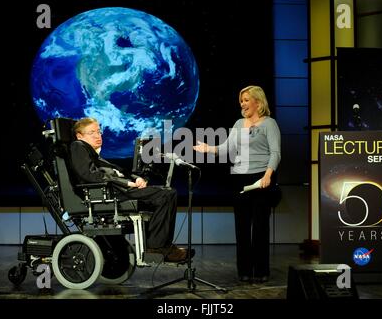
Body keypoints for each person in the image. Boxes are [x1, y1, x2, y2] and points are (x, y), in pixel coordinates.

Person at [70, 117, 190, 263]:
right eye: (92, 133)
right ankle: (157, 247)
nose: (97, 136)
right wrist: (126, 183)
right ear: (79, 136)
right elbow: (89, 175)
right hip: (111, 193)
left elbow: (120, 170)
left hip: (119, 190)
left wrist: (135, 178)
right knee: (166, 195)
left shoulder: (94, 156)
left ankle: (161, 245)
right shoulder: (78, 146)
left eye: (99, 132)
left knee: (166, 193)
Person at [193, 85, 281, 283]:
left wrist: (268, 175)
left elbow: (275, 153)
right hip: (239, 178)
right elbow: (226, 149)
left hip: (261, 179)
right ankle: (244, 271)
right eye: (241, 100)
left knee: (260, 227)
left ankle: (261, 271)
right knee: (242, 227)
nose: (242, 104)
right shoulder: (239, 124)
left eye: (246, 99)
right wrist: (208, 148)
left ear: (258, 101)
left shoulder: (269, 124)